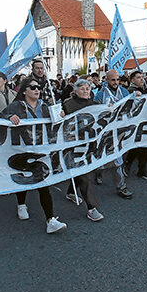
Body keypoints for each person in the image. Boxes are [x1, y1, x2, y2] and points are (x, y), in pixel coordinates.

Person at [2, 78, 68, 233]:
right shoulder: (16, 106)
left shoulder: (45, 106)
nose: (36, 90)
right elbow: (0, 117)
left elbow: (57, 123)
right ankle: (21, 204)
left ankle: (50, 220)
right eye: (32, 87)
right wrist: (8, 117)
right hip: (22, 150)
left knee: (43, 183)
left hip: (41, 152)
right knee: (23, 177)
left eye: (38, 87)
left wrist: (61, 115)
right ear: (24, 90)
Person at [62, 79, 105, 221]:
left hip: (89, 144)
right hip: (74, 146)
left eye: (88, 88)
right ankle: (91, 208)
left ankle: (70, 192)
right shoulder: (67, 105)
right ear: (75, 91)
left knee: (80, 172)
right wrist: (60, 115)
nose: (86, 91)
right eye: (82, 89)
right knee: (85, 176)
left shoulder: (94, 104)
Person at [93, 69, 133, 198]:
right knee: (105, 158)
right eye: (113, 80)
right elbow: (93, 112)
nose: (116, 82)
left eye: (117, 80)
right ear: (107, 80)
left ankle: (121, 187)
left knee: (118, 159)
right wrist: (104, 110)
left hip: (120, 130)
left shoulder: (124, 91)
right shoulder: (100, 95)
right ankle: (99, 170)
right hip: (105, 132)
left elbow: (131, 106)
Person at [125, 70, 147, 180]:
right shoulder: (130, 91)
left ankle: (141, 169)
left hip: (144, 122)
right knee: (137, 146)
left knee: (144, 146)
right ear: (132, 80)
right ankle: (128, 164)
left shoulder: (144, 90)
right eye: (139, 77)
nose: (142, 79)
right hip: (134, 122)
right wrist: (132, 95)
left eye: (142, 77)